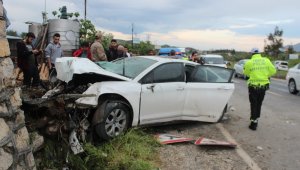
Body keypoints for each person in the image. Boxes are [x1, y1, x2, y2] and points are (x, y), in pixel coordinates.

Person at [243, 48, 276, 130]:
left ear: (252, 54)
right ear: (259, 53)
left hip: (253, 86)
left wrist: (253, 74)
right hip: (263, 86)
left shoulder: (249, 62)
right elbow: (273, 71)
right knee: (259, 103)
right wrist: (265, 75)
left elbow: (246, 73)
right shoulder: (266, 60)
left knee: (253, 104)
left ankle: (253, 123)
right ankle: (256, 119)